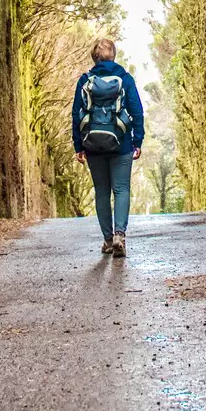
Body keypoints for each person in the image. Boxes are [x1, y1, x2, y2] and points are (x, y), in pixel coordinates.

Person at [72, 37, 145, 257]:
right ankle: (119, 236)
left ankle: (106, 239)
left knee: (102, 192)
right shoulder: (124, 78)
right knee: (121, 189)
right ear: (113, 56)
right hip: (121, 143)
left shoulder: (85, 80)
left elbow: (77, 115)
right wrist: (137, 140)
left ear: (94, 58)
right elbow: (137, 111)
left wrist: (79, 145)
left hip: (93, 145)